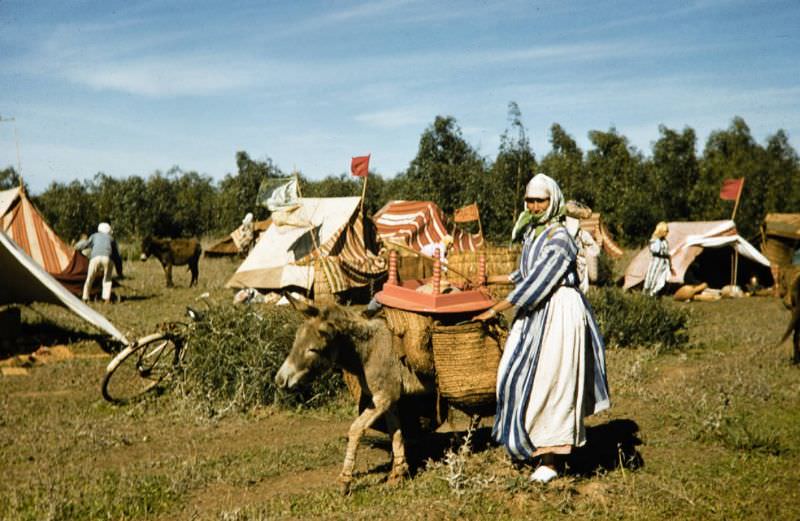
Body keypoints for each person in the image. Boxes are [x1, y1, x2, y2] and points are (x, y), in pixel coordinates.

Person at [475, 173, 611, 484]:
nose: (534, 206)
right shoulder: (534, 233)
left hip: (560, 312)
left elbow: (541, 279)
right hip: (535, 312)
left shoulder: (560, 236)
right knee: (515, 374)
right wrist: (493, 281)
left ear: (553, 201)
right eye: (530, 200)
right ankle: (534, 445)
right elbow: (527, 271)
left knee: (552, 382)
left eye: (540, 200)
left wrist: (495, 309)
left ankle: (552, 460)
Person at [75, 222, 122, 303]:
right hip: (107, 258)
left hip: (95, 258)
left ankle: (85, 297)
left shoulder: (94, 236)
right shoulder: (111, 238)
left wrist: (77, 247)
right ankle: (106, 299)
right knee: (107, 279)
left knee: (90, 277)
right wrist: (119, 271)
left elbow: (85, 244)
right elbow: (116, 256)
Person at [642, 222, 671, 297]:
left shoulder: (664, 240)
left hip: (664, 262)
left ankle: (654, 292)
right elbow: (656, 250)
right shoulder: (655, 240)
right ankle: (648, 294)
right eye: (666, 231)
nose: (667, 233)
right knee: (652, 277)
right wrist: (657, 240)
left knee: (662, 279)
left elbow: (666, 252)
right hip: (657, 261)